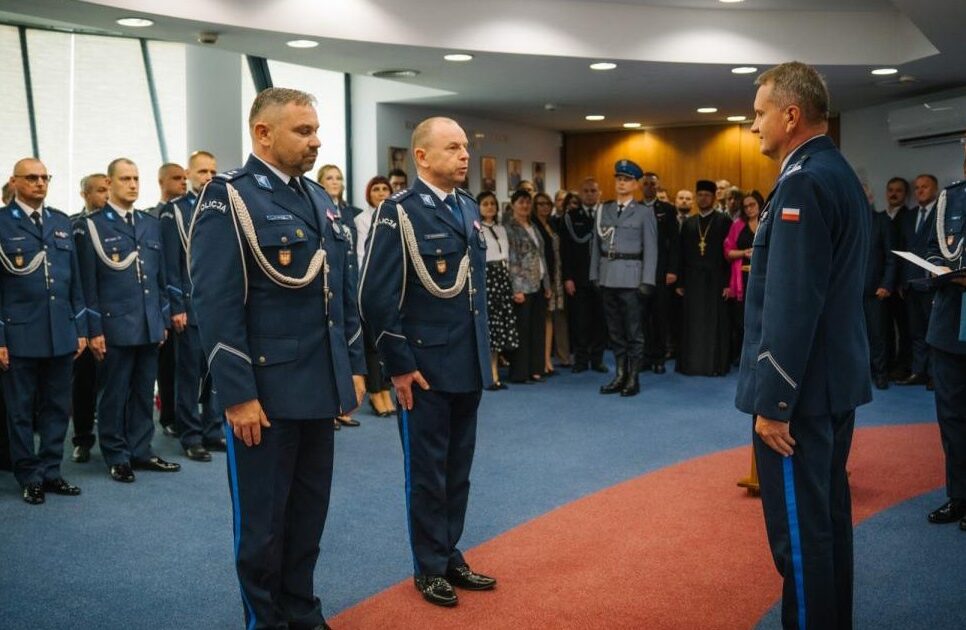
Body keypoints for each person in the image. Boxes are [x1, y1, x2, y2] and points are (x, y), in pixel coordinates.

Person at [189, 87, 366, 629]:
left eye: (316, 130)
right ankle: (265, 621)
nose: (316, 141)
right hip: (265, 393)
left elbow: (342, 291)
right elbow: (216, 305)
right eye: (303, 131)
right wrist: (238, 395)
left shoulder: (320, 199)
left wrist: (354, 367)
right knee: (263, 524)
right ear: (262, 133)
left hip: (319, 385)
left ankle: (301, 609)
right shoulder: (230, 197)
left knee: (308, 514)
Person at [737, 61, 871, 630]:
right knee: (826, 523)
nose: (753, 125)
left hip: (801, 398)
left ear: (791, 115)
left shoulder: (802, 182)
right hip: (832, 385)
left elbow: (792, 304)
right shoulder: (836, 171)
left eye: (761, 112)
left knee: (800, 536)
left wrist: (774, 403)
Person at [360, 116, 495, 607]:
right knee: (427, 470)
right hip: (423, 367)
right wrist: (397, 364)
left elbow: (473, 293)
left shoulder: (465, 207)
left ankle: (449, 550)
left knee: (458, 467)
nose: (465, 156)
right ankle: (429, 564)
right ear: (422, 157)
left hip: (467, 361)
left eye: (466, 147)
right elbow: (375, 297)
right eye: (454, 147)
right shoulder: (398, 212)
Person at [76, 157, 181, 482]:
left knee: (141, 392)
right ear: (109, 184)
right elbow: (87, 284)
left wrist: (162, 318)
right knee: (114, 393)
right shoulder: (94, 226)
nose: (132, 184)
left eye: (136, 178)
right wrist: (93, 329)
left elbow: (160, 277)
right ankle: (116, 454)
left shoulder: (150, 224)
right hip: (114, 325)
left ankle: (141, 449)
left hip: (148, 323)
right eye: (125, 179)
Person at [0, 158, 87, 504]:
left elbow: (75, 282)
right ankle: (29, 475)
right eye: (32, 178)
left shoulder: (60, 222)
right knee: (20, 410)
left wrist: (80, 327)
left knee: (56, 406)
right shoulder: (3, 223)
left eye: (44, 177)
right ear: (15, 182)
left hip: (61, 332)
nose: (39, 183)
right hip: (19, 334)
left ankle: (52, 471)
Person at [160, 150, 225, 462]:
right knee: (189, 375)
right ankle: (191, 435)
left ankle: (213, 429)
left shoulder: (223, 208)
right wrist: (176, 305)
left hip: (220, 306)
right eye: (202, 172)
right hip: (190, 305)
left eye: (212, 171)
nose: (208, 177)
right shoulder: (174, 211)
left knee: (218, 372)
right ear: (188, 174)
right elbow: (169, 264)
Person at [591, 160, 658, 397]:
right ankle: (619, 374)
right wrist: (594, 275)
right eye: (619, 178)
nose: (621, 183)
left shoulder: (644, 212)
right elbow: (596, 246)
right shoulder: (604, 209)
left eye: (627, 179)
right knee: (615, 331)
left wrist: (647, 280)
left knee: (634, 332)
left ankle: (633, 377)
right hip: (608, 276)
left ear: (636, 184)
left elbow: (651, 248)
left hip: (632, 278)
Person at [923, 155, 966, 531]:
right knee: (951, 417)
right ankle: (959, 496)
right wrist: (948, 273)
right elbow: (929, 253)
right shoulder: (951, 199)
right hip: (949, 325)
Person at [317, 163, 364, 428]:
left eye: (339, 177)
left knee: (349, 342)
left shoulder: (349, 212)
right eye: (329, 178)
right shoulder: (318, 208)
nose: (335, 181)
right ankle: (331, 406)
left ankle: (344, 403)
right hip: (329, 281)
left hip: (350, 276)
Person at [70, 173, 109, 464]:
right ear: (84, 194)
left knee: (115, 385)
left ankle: (116, 439)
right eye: (99, 191)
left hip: (116, 318)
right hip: (84, 317)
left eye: (107, 190)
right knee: (84, 383)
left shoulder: (120, 225)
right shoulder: (74, 226)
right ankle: (82, 439)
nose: (105, 196)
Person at [676, 179, 732, 376]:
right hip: (692, 280)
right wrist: (680, 281)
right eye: (700, 195)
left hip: (716, 279)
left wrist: (727, 283)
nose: (703, 198)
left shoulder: (724, 221)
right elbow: (680, 254)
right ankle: (691, 365)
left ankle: (714, 366)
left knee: (714, 323)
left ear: (714, 197)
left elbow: (728, 255)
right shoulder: (689, 223)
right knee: (692, 323)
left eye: (707, 195)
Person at [354, 175, 397, 417]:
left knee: (387, 341)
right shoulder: (362, 219)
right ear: (369, 193)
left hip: (393, 286)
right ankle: (375, 393)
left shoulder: (397, 215)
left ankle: (386, 390)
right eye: (376, 189)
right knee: (371, 344)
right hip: (370, 285)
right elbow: (362, 255)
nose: (381, 193)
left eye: (385, 189)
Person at [895, 174, 940, 388]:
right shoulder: (909, 216)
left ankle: (934, 374)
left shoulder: (942, 213)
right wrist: (902, 282)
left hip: (931, 283)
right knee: (916, 332)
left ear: (935, 189)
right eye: (917, 187)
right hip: (911, 284)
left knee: (934, 332)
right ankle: (918, 371)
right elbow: (903, 250)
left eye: (925, 187)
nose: (920, 191)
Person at [153, 163, 186, 438]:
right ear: (162, 181)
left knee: (183, 365)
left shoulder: (188, 213)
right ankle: (168, 415)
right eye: (176, 178)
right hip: (161, 303)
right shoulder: (153, 216)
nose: (182, 183)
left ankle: (181, 413)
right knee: (167, 366)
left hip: (181, 301)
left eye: (184, 178)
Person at [506, 190, 550, 383]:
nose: (525, 206)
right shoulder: (509, 228)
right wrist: (516, 288)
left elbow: (541, 257)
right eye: (521, 202)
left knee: (537, 329)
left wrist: (547, 283)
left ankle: (536, 369)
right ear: (513, 205)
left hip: (538, 283)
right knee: (522, 331)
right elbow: (511, 261)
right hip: (522, 287)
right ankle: (520, 372)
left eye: (527, 202)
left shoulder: (534, 226)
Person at [561, 191, 607, 373]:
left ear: (599, 192)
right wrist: (568, 277)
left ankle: (597, 359)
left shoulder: (606, 214)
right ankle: (581, 360)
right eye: (586, 191)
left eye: (593, 191)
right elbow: (566, 249)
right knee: (580, 322)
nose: (589, 195)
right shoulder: (571, 217)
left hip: (602, 277)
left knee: (600, 321)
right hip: (579, 278)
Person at [478, 190, 519, 390]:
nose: (490, 207)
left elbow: (508, 256)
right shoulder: (476, 229)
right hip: (487, 278)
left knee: (500, 325)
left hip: (502, 277)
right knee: (489, 327)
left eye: (492, 204)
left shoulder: (502, 229)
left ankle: (495, 371)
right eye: (485, 204)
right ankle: (488, 374)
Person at [641, 171, 679, 374]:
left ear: (658, 186)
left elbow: (674, 242)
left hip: (661, 272)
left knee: (660, 317)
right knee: (641, 318)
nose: (648, 187)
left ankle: (659, 359)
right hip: (639, 273)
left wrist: (672, 269)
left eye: (652, 184)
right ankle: (645, 358)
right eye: (645, 183)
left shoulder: (667, 209)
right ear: (641, 186)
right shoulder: (634, 209)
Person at [862, 187, 897, 390]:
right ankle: (861, 376)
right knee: (855, 337)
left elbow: (892, 258)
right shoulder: (848, 222)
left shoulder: (882, 221)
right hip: (851, 293)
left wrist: (886, 284)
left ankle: (880, 374)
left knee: (878, 336)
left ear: (870, 197)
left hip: (876, 290)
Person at [533, 191, 570, 373]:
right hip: (543, 276)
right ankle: (543, 360)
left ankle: (557, 357)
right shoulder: (533, 225)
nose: (545, 207)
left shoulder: (554, 223)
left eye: (547, 204)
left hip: (558, 273)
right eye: (540, 204)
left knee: (558, 315)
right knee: (544, 317)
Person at [883, 177, 912, 380]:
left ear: (905, 194)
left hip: (902, 284)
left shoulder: (910, 217)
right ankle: (888, 365)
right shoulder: (880, 217)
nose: (894, 194)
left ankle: (904, 366)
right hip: (882, 284)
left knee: (905, 328)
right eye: (891, 190)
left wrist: (901, 282)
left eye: (898, 191)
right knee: (884, 329)